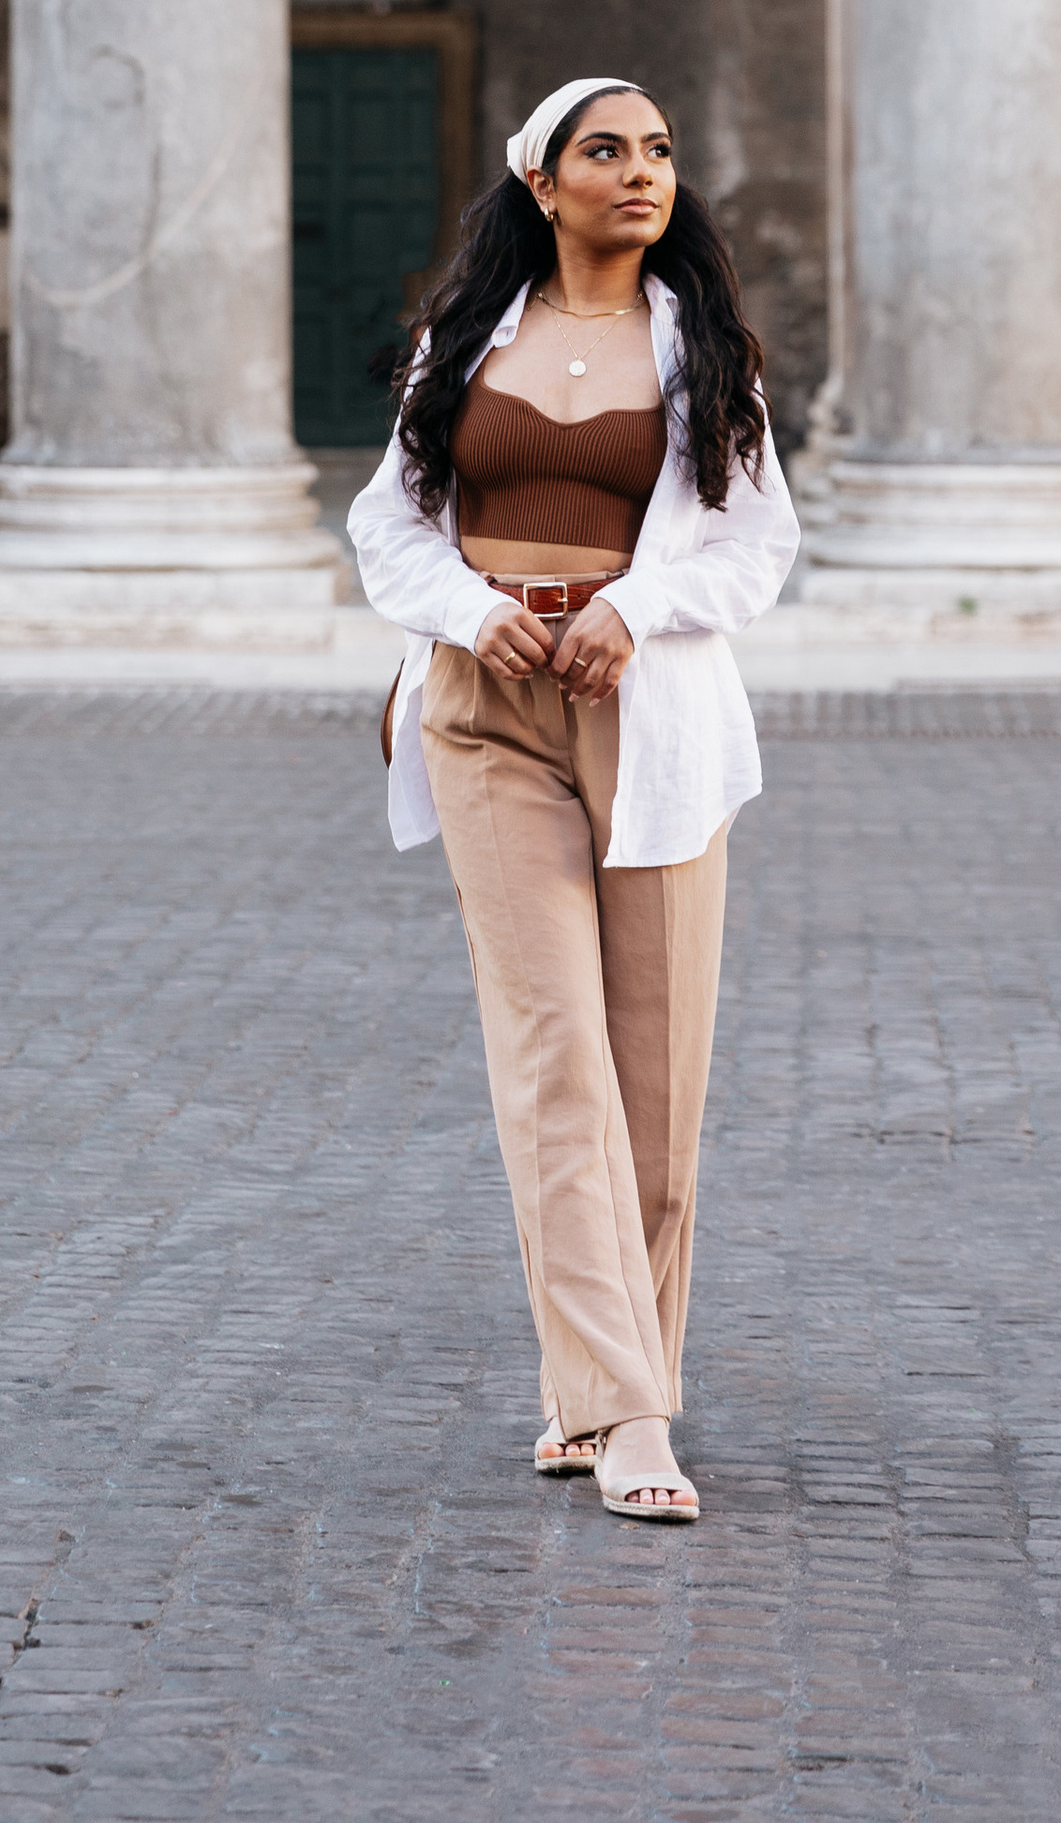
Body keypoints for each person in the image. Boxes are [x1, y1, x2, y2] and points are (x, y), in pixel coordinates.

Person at [349, 73, 800, 1525]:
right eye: (607, 150)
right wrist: (475, 612)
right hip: (489, 710)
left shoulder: (707, 348)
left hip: (648, 713)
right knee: (555, 1054)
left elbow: (754, 544)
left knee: (653, 1084)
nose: (640, 172)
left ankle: (590, 1386)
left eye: (659, 151)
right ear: (542, 183)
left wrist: (645, 603)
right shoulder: (464, 341)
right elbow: (389, 525)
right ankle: (630, 1413)